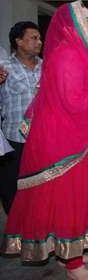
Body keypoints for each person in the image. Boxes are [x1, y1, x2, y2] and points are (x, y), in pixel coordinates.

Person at [1, 1, 88, 280]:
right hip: (67, 145)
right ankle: (74, 265)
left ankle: (72, 254)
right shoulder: (67, 55)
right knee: (69, 201)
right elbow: (74, 103)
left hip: (77, 139)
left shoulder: (77, 53)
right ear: (73, 24)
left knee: (76, 200)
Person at [0, 21, 42, 215]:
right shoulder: (4, 67)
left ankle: (36, 223)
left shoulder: (47, 66)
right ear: (18, 41)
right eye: (33, 38)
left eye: (39, 38)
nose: (39, 42)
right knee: (11, 185)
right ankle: (15, 227)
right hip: (14, 138)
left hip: (43, 137)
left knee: (38, 183)